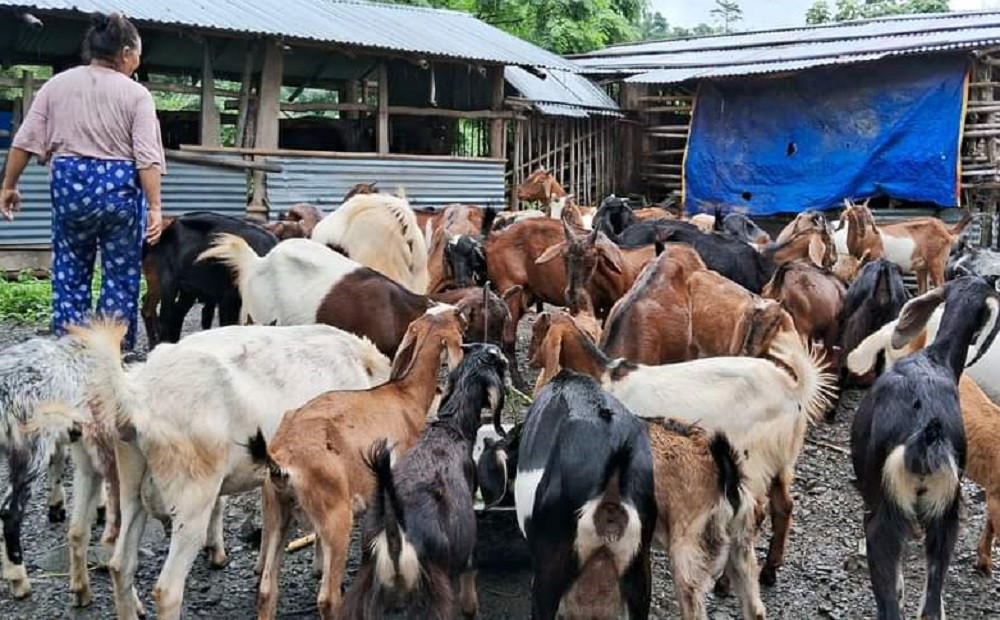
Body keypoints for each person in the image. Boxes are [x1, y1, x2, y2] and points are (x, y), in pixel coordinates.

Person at [0, 11, 164, 351]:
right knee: (121, 276)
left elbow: (24, 141)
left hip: (71, 187)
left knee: (71, 271)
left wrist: (9, 185)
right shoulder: (136, 95)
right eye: (137, 53)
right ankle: (112, 356)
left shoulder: (57, 85)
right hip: (119, 191)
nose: (138, 60)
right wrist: (155, 207)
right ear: (124, 54)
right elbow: (147, 157)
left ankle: (69, 354)